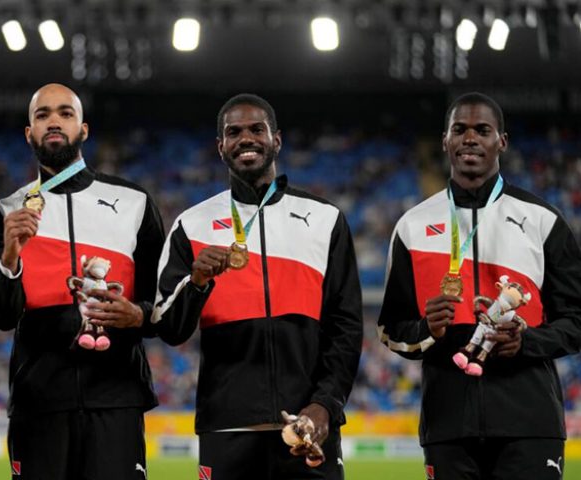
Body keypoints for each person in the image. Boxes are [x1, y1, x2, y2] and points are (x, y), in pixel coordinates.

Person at [152, 93, 363, 480]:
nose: (245, 138)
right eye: (234, 132)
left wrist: (325, 405)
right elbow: (168, 328)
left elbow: (346, 327)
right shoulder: (190, 225)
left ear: (276, 140)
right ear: (221, 147)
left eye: (256, 129)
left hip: (307, 426)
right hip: (227, 429)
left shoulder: (324, 219)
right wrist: (196, 283)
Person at [377, 92, 581, 479]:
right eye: (460, 129)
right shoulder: (412, 226)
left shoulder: (542, 220)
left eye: (482, 130)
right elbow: (390, 330)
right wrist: (427, 331)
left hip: (530, 424)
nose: (470, 138)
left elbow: (577, 320)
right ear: (445, 140)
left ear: (501, 141)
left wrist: (527, 342)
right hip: (448, 427)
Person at [0, 83, 164, 479]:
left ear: (83, 129)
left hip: (116, 399)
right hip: (39, 402)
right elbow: (1, 315)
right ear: (29, 133)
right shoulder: (5, 214)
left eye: (65, 113)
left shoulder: (134, 203)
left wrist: (137, 315)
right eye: (42, 115)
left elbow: (160, 306)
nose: (53, 122)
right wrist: (11, 253)